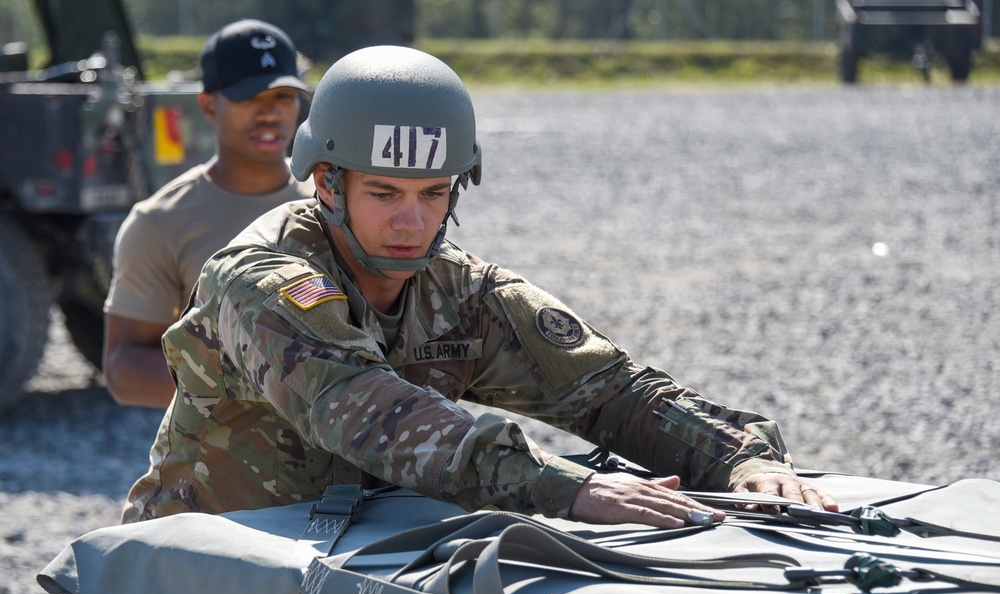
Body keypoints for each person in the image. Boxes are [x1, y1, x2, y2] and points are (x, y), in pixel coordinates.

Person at [121, 44, 837, 532]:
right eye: (384, 193)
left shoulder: (457, 288)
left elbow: (611, 390)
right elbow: (367, 412)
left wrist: (740, 456)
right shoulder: (263, 280)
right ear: (325, 182)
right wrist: (568, 488)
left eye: (436, 193)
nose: (413, 222)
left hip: (333, 583)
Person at [101, 18, 313, 408]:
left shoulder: (334, 201)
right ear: (207, 104)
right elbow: (123, 368)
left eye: (283, 97)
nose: (269, 113)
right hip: (223, 464)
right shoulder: (160, 221)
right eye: (250, 97)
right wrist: (255, 386)